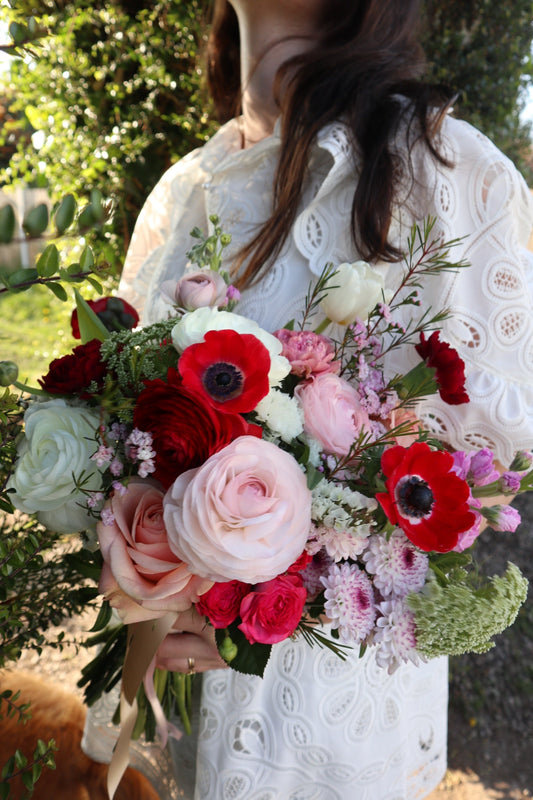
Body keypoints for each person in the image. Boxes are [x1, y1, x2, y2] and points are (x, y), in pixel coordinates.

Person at [83, 1, 533, 798]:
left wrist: (265, 600)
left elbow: (494, 458)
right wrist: (147, 564)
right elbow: (117, 436)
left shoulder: (449, 171)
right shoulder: (183, 190)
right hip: (183, 712)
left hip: (330, 735)